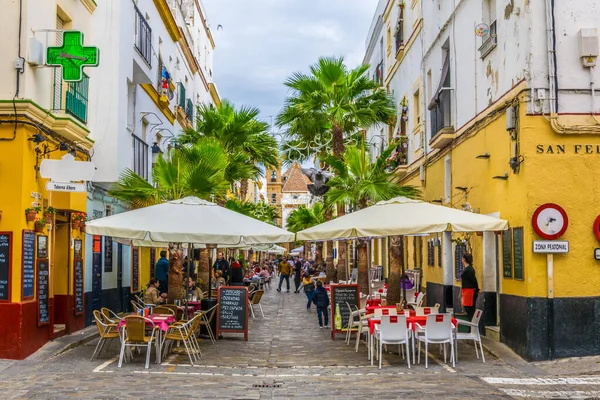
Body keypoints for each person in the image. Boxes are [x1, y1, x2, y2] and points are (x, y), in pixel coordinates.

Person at [460, 253, 480, 322]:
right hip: (466, 291)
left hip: (470, 292)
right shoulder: (467, 269)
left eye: (462, 258)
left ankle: (472, 326)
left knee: (470, 309)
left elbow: (474, 280)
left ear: (464, 259)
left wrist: (477, 289)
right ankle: (471, 326)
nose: (461, 260)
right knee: (468, 308)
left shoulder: (469, 269)